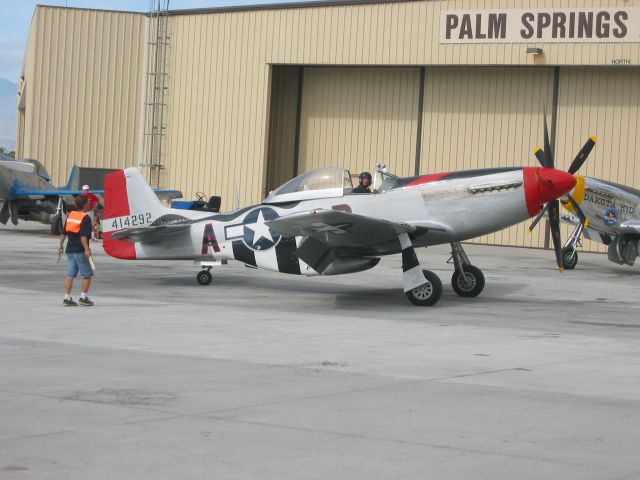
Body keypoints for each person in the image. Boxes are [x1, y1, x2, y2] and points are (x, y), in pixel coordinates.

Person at [58, 195, 95, 306]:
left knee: (70, 275)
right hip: (80, 250)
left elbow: (64, 233)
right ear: (84, 205)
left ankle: (67, 298)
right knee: (87, 274)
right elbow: (83, 236)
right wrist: (87, 249)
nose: (89, 204)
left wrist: (60, 245)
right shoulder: (86, 218)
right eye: (88, 202)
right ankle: (83, 297)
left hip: (70, 250)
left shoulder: (71, 215)